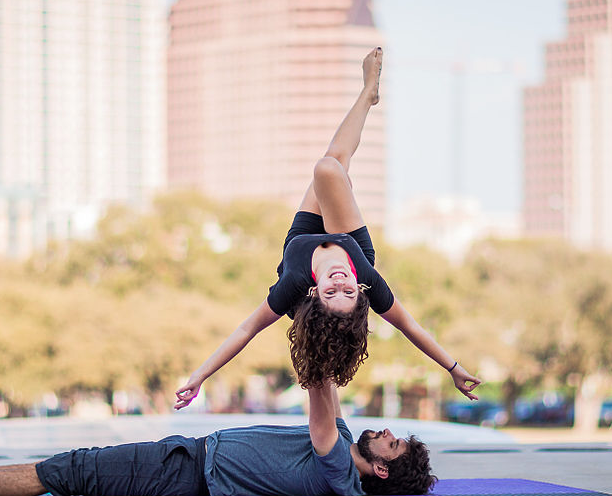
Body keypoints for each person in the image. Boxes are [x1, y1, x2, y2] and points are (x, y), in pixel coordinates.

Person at [175, 47, 481, 408]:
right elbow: (410, 327)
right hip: (349, 243)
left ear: (314, 293)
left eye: (331, 293)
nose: (340, 284)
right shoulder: (365, 277)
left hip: (302, 242)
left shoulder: (293, 286)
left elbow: (245, 330)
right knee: (330, 167)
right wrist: (453, 367)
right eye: (347, 293)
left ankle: (368, 93)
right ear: (359, 290)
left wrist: (199, 376)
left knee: (330, 165)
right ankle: (367, 94)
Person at [0, 379, 436, 496]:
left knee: (72, 471)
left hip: (183, 472)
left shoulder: (340, 472)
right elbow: (331, 389)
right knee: (75, 467)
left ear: (382, 470)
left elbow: (319, 391)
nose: (387, 432)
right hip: (188, 455)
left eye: (393, 444)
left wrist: (315, 314)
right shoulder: (346, 438)